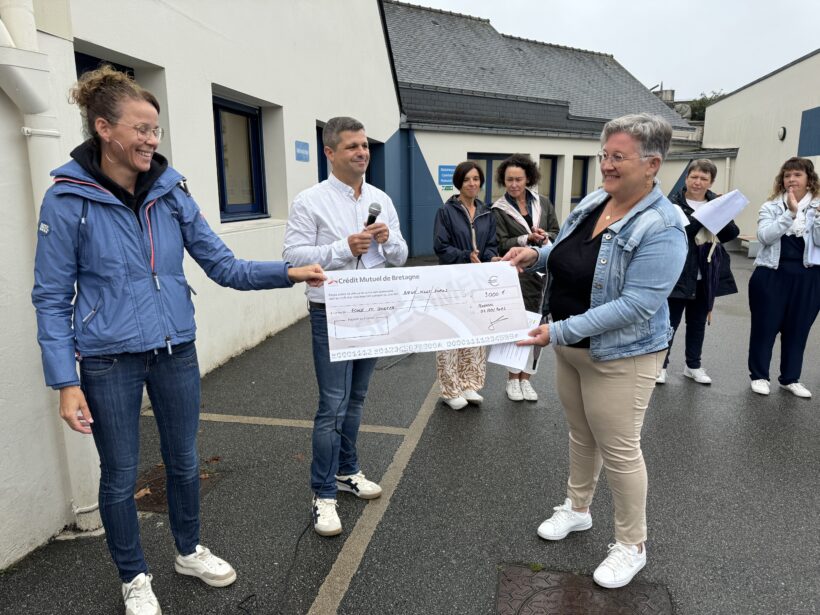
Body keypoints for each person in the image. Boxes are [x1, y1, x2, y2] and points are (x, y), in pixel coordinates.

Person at [31, 66, 325, 615]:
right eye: (141, 129)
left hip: (174, 348)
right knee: (120, 474)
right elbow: (50, 297)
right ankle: (133, 576)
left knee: (184, 461)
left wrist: (288, 273)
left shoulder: (170, 192)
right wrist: (65, 381)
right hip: (107, 358)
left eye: (156, 130)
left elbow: (223, 264)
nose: (151, 140)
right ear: (104, 129)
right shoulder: (67, 199)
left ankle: (189, 551)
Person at [505, 113, 687, 589]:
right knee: (581, 435)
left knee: (620, 450)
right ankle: (578, 508)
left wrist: (557, 331)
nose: (606, 164)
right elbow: (569, 252)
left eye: (617, 157)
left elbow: (637, 305)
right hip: (571, 348)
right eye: (604, 154)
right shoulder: (594, 200)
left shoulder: (664, 226)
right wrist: (535, 255)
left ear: (652, 164)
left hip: (621, 357)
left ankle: (632, 544)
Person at [283, 116, 408, 536]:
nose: (362, 152)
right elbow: (292, 258)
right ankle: (323, 494)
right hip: (331, 311)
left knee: (356, 399)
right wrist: (343, 248)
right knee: (332, 405)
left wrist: (388, 240)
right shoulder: (310, 201)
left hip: (372, 308)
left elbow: (401, 255)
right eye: (353, 146)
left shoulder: (380, 199)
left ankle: (346, 470)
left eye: (365, 145)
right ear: (330, 152)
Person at [657, 159, 739, 385]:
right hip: (678, 273)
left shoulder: (717, 203)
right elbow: (678, 232)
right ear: (686, 179)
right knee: (668, 324)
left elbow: (731, 234)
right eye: (694, 177)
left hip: (706, 275)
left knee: (697, 323)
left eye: (704, 178)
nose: (698, 182)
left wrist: (721, 212)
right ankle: (660, 365)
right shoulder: (672, 203)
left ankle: (693, 365)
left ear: (711, 182)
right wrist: (704, 217)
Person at [747, 157, 820, 398]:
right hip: (771, 274)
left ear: (809, 180)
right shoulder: (771, 206)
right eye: (787, 175)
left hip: (809, 278)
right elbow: (765, 237)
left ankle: (790, 378)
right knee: (764, 327)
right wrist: (790, 213)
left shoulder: (818, 206)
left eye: (797, 175)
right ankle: (759, 375)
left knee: (798, 330)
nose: (791, 179)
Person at [491, 154, 559, 402]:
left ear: (528, 178)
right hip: (517, 277)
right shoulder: (498, 210)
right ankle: (512, 378)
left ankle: (527, 379)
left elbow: (557, 232)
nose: (514, 184)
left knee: (538, 325)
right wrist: (525, 239)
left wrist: (544, 236)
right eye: (509, 180)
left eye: (518, 179)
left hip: (544, 276)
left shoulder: (544, 203)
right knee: (516, 327)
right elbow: (500, 244)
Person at [433, 161, 498, 410]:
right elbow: (440, 246)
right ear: (458, 183)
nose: (472, 183)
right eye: (467, 179)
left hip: (477, 281)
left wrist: (490, 257)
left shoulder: (486, 212)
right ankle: (450, 389)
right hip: (452, 280)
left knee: (474, 332)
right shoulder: (446, 211)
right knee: (450, 333)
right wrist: (465, 255)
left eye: (476, 179)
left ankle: (469, 384)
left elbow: (491, 244)